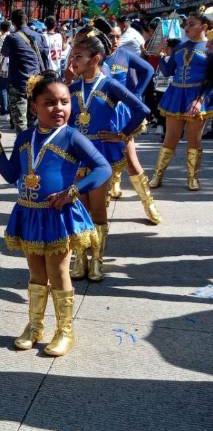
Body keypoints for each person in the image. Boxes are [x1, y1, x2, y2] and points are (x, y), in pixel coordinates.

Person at [0, 72, 111, 357]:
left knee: (58, 272)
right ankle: (35, 325)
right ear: (34, 108)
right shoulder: (24, 137)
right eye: (50, 102)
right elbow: (10, 175)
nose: (59, 108)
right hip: (29, 214)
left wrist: (74, 191)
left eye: (64, 102)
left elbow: (102, 168)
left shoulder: (72, 137)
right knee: (35, 272)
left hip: (58, 214)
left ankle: (65, 331)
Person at [67, 28, 150, 282]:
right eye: (73, 55)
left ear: (95, 58)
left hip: (100, 156)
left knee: (99, 210)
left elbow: (141, 109)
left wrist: (122, 134)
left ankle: (97, 262)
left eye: (79, 56)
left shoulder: (110, 85)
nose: (74, 61)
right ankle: (80, 258)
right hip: (75, 156)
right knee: (79, 208)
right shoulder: (71, 88)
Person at [104, 23, 162, 224]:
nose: (114, 41)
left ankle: (148, 203)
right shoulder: (92, 57)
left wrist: (135, 93)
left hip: (119, 115)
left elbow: (147, 70)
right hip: (95, 115)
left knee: (130, 159)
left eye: (118, 37)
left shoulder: (124, 55)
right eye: (110, 36)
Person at [150, 12, 211, 192]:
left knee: (194, 140)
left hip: (198, 97)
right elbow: (168, 71)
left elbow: (212, 79)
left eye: (191, 24)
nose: (186, 28)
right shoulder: (179, 47)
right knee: (171, 137)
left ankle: (193, 177)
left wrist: (200, 100)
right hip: (176, 95)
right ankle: (157, 175)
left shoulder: (210, 47)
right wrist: (162, 55)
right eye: (186, 25)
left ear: (204, 26)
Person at [2, 9, 50, 132]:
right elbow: (45, 59)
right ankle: (34, 147)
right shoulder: (40, 37)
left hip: (17, 84)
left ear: (13, 22)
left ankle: (23, 148)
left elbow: (4, 53)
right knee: (34, 121)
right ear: (27, 20)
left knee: (20, 124)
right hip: (36, 84)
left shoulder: (11, 38)